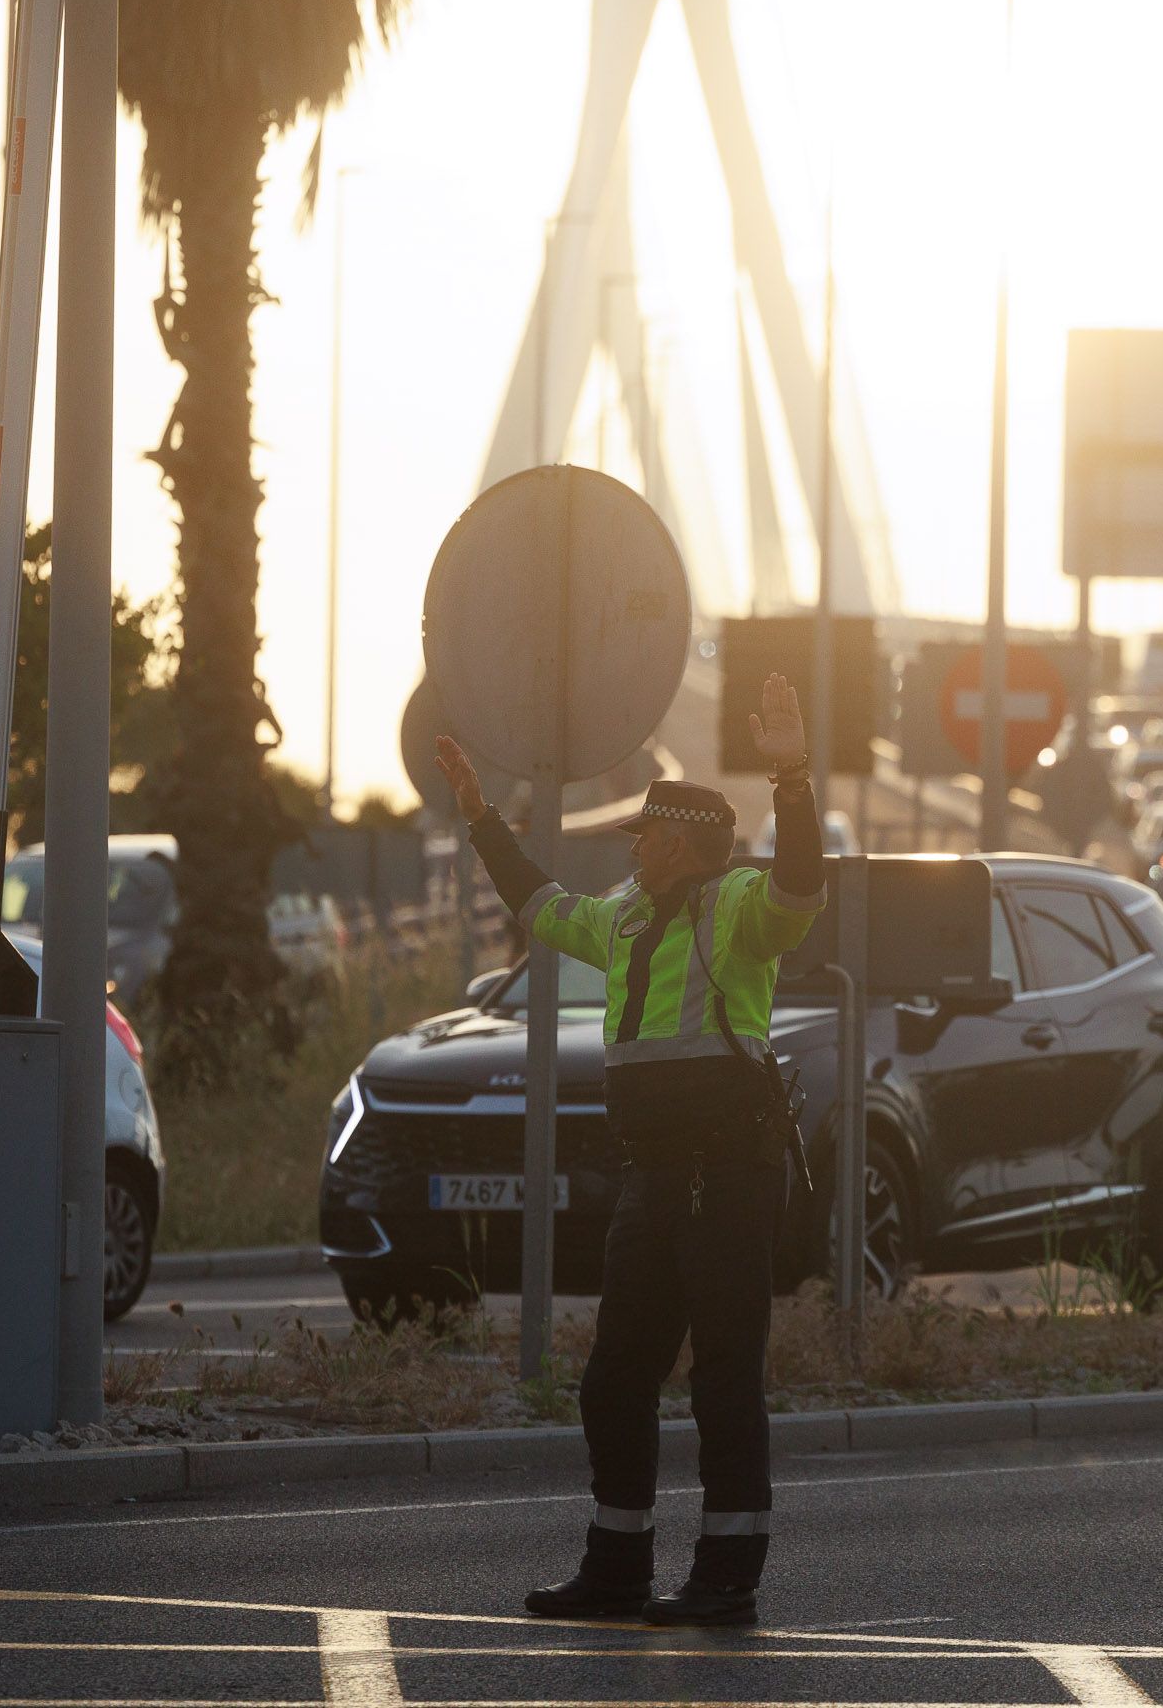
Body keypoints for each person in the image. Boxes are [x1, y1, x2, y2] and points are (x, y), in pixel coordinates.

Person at [431, 672, 824, 1628]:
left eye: (643, 834)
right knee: (615, 1379)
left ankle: (727, 1579)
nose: (633, 846)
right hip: (654, 1176)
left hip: (729, 1174)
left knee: (723, 1378)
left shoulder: (739, 908)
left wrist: (794, 782)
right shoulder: (627, 917)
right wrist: (482, 820)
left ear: (680, 841)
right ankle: (616, 1570)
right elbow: (539, 905)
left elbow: (800, 886)